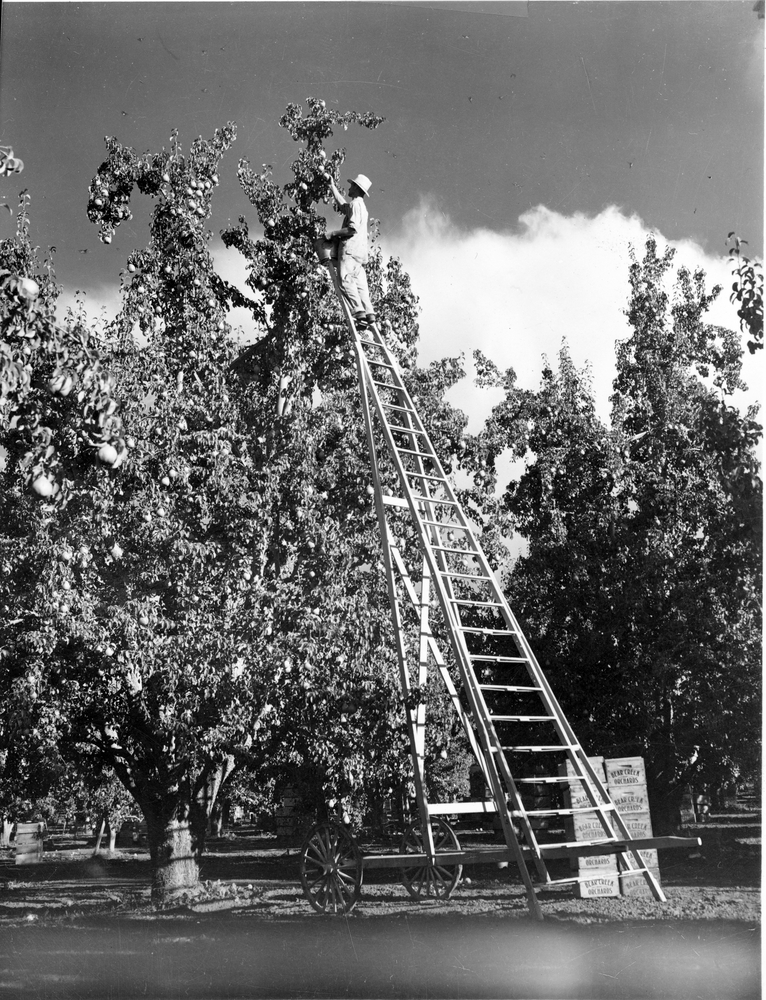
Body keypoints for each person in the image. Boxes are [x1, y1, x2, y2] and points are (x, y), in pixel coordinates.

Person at [326, 173, 376, 331]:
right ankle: (369, 313)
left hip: (349, 250)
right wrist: (332, 186)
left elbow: (352, 229)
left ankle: (359, 311)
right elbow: (342, 205)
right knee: (361, 286)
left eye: (351, 185)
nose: (349, 187)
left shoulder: (355, 205)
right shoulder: (360, 207)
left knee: (345, 280)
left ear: (356, 188)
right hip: (360, 253)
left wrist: (333, 234)